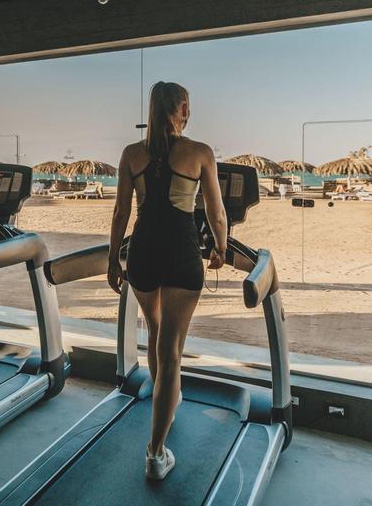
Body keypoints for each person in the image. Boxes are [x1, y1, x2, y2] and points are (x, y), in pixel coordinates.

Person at [107, 81, 227, 481]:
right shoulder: (200, 152)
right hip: (180, 253)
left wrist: (113, 258)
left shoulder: (131, 154)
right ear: (183, 110)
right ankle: (156, 452)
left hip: (142, 252)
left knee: (157, 334)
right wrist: (221, 248)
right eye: (186, 108)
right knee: (172, 348)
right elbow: (215, 211)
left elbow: (122, 210)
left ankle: (165, 399)